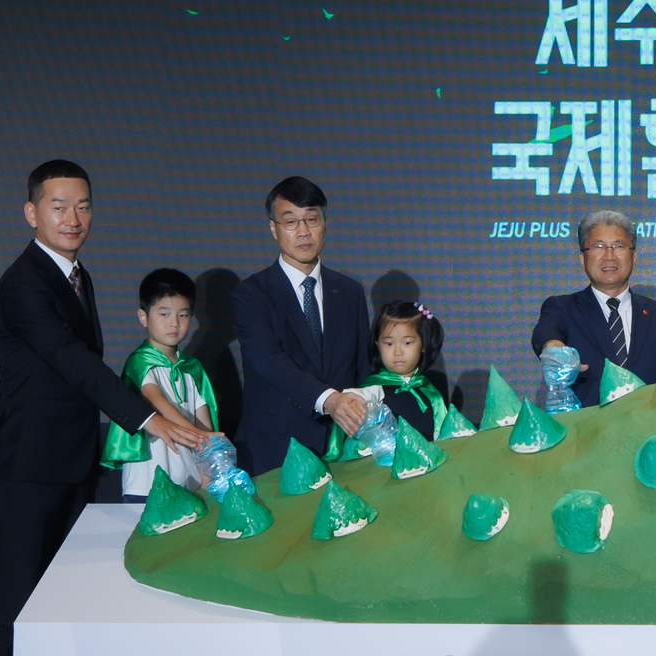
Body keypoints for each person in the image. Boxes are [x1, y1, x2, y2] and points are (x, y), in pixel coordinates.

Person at [0, 160, 206, 656]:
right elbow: (75, 364)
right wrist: (151, 419)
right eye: (58, 206)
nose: (72, 217)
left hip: (73, 461)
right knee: (18, 593)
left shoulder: (79, 276)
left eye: (82, 205)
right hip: (29, 464)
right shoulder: (24, 281)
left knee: (59, 594)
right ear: (32, 212)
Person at [231, 177, 371, 473]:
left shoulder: (350, 291)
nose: (304, 231)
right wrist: (330, 400)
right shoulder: (251, 294)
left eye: (312, 219)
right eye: (291, 221)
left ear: (325, 223)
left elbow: (362, 368)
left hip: (344, 446)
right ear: (274, 229)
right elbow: (268, 361)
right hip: (276, 451)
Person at [531, 210, 656, 407]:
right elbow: (546, 332)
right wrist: (553, 347)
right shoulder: (563, 309)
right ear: (582, 260)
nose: (609, 256)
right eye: (599, 246)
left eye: (619, 246)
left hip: (646, 432)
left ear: (634, 257)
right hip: (586, 432)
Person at [100, 268, 221, 501]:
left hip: (190, 482)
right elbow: (155, 401)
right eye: (164, 314)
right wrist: (196, 435)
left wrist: (208, 469)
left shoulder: (193, 368)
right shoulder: (140, 361)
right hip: (147, 484)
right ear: (143, 317)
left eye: (183, 315)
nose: (174, 323)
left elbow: (204, 423)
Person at [363, 300, 454, 441]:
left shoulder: (431, 394)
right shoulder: (370, 392)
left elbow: (444, 439)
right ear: (377, 344)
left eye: (407, 343)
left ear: (423, 344)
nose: (397, 352)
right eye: (389, 343)